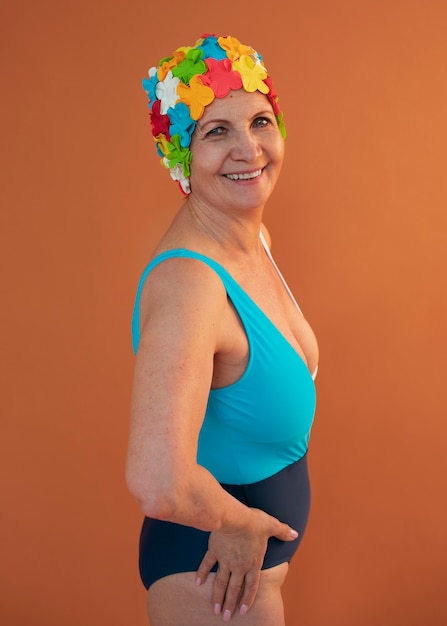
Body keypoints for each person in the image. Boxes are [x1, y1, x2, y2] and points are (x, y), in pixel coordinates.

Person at [125, 34, 319, 625]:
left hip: (245, 576)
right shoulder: (191, 285)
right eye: (216, 131)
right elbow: (158, 480)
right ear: (180, 158)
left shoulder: (251, 239)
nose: (249, 149)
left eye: (260, 121)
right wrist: (236, 521)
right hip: (211, 579)